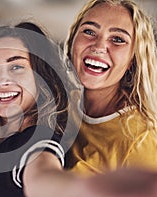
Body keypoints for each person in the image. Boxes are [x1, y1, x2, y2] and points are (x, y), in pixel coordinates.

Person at [0, 22, 69, 197]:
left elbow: (43, 172)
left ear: (41, 76)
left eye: (16, 67)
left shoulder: (38, 141)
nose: (1, 80)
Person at [64, 0, 157, 176]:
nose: (98, 47)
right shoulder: (58, 105)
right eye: (89, 31)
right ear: (72, 42)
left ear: (133, 59)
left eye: (117, 39)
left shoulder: (140, 141)